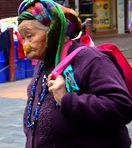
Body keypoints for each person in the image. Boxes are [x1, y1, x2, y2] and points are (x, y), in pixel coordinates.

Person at [17, 0, 132, 147]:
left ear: (53, 31)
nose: (25, 45)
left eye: (29, 36)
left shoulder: (90, 59)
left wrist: (67, 99)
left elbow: (122, 106)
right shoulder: (44, 62)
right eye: (22, 38)